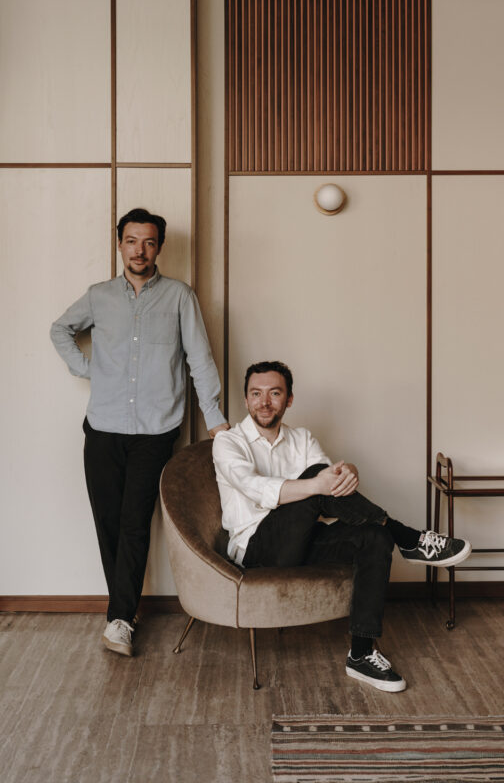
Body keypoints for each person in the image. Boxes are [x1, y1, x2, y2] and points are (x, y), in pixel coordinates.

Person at [212, 360, 471, 693]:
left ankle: (362, 654)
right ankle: (409, 538)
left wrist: (348, 470)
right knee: (313, 480)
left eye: (274, 393)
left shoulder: (302, 438)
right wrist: (319, 484)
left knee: (374, 536)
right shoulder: (228, 442)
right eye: (256, 394)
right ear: (246, 400)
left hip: (303, 540)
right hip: (257, 548)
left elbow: (332, 483)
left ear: (289, 399)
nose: (264, 402)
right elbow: (256, 488)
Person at [51, 207, 229, 657]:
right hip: (103, 428)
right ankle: (123, 612)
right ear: (120, 244)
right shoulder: (99, 296)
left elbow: (200, 361)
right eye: (132, 241)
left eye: (149, 242)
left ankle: (119, 619)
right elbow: (60, 330)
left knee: (134, 525)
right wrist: (88, 369)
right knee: (108, 523)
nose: (140, 250)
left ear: (159, 247)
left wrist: (216, 421)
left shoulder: (179, 297)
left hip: (155, 431)